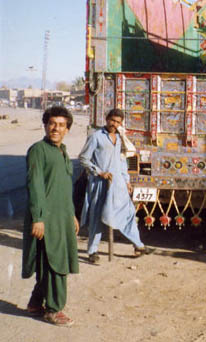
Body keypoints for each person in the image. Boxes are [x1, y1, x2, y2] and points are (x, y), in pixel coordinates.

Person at [23, 106, 79, 326]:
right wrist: (38, 218)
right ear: (45, 125)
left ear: (67, 129)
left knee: (50, 261)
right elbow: (35, 184)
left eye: (61, 125)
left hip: (62, 217)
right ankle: (54, 310)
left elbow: (63, 188)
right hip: (46, 218)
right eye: (52, 123)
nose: (56, 128)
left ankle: (36, 304)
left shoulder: (62, 150)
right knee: (56, 263)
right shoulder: (38, 150)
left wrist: (72, 214)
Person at [79, 108, 153, 264]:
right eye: (112, 120)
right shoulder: (96, 137)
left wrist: (127, 181)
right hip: (100, 184)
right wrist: (99, 172)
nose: (114, 124)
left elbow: (121, 162)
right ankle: (92, 251)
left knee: (128, 213)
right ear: (106, 119)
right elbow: (84, 158)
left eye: (118, 122)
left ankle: (138, 245)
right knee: (97, 217)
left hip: (118, 184)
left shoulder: (119, 139)